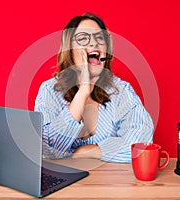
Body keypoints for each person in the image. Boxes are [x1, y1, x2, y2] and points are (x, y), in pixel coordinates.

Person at [34, 13, 153, 163]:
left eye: (99, 38)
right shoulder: (49, 90)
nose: (93, 44)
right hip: (63, 183)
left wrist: (91, 151)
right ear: (69, 50)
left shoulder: (121, 91)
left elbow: (141, 142)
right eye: (83, 38)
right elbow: (48, 149)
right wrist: (83, 92)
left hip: (111, 183)